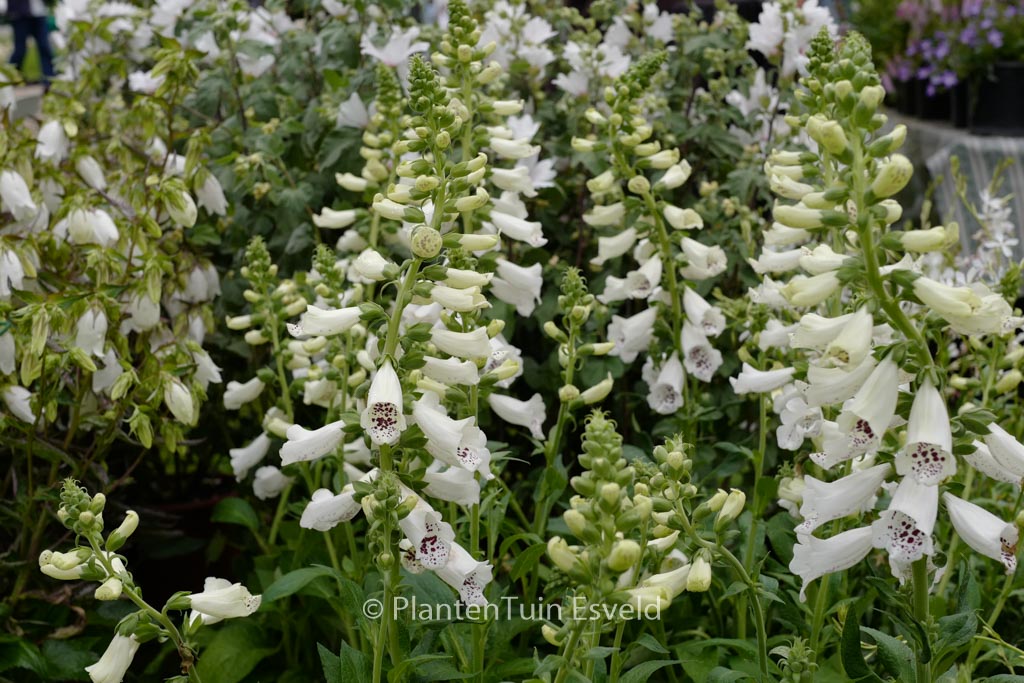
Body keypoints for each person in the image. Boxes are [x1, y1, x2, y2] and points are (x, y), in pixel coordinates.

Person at [6, 0, 55, 84]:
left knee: (44, 46)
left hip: (39, 13)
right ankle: (10, 78)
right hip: (20, 14)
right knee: (20, 49)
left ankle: (49, 79)